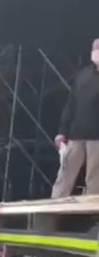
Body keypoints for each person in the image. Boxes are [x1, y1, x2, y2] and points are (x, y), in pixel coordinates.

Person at [52, 39, 99, 198]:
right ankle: (55, 205)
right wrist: (62, 131)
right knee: (65, 176)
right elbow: (71, 105)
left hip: (97, 138)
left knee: (95, 180)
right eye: (96, 48)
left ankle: (92, 210)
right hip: (76, 135)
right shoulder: (83, 75)